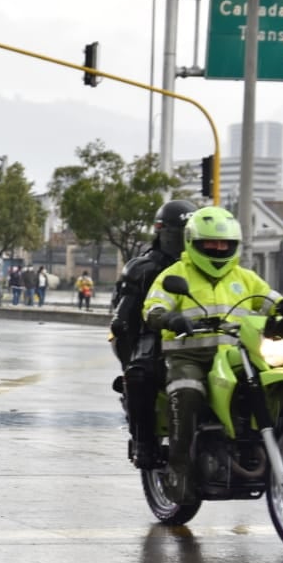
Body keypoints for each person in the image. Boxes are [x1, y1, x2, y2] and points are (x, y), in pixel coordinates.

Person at [143, 206, 283, 504]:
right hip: (190, 356)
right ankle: (178, 469)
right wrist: (168, 318)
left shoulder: (246, 278)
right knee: (188, 390)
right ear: (193, 242)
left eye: (225, 244)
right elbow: (154, 306)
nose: (219, 249)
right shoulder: (175, 274)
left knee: (277, 379)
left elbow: (273, 302)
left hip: (238, 354)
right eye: (211, 244)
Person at [109, 200, 197, 468]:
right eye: (179, 233)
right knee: (139, 375)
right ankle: (144, 443)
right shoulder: (143, 269)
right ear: (162, 231)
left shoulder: (204, 266)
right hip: (155, 335)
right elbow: (123, 321)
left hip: (205, 336)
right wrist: (130, 359)